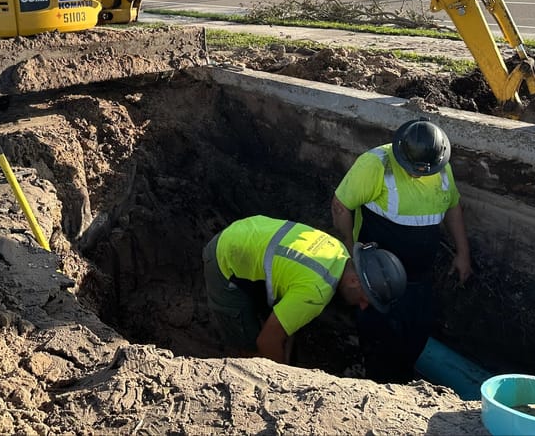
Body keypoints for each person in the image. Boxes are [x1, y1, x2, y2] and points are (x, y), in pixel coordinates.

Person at [331, 118, 471, 382]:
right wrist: (353, 253)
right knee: (378, 342)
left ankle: (403, 381)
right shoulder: (376, 165)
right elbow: (340, 205)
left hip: (419, 278)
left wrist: (463, 253)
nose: (418, 174)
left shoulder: (439, 168)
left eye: (424, 170)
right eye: (413, 169)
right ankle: (377, 385)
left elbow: (453, 206)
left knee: (416, 334)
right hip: (378, 280)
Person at [202, 214, 407, 364]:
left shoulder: (337, 249)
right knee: (249, 349)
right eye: (366, 298)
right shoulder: (316, 292)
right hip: (225, 258)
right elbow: (267, 341)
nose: (362, 306)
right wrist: (283, 383)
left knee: (282, 324)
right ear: (355, 280)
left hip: (249, 229)